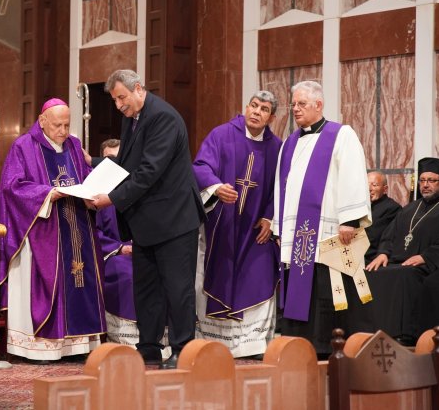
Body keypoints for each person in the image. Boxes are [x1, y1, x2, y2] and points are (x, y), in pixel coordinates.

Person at [92, 69, 205, 369]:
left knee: (178, 290)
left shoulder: (163, 117)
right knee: (147, 290)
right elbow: (127, 163)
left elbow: (148, 172)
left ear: (138, 88)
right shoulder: (133, 117)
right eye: (115, 100)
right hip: (147, 222)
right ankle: (149, 348)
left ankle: (183, 350)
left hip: (174, 220)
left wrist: (111, 199)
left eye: (122, 98)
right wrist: (91, 162)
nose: (119, 105)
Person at [0, 98, 106, 362]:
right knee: (48, 280)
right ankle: (40, 348)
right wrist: (47, 193)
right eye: (58, 125)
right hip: (42, 229)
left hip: (77, 224)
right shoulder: (23, 146)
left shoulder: (74, 145)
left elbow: (86, 176)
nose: (63, 131)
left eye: (67, 125)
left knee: (81, 277)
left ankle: (77, 346)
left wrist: (94, 191)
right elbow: (11, 186)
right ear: (42, 121)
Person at [273, 80, 371, 356]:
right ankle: (297, 343)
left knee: (327, 288)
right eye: (293, 104)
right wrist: (280, 228)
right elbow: (281, 186)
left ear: (319, 104)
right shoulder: (289, 143)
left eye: (302, 103)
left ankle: (327, 344)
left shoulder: (341, 135)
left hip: (329, 230)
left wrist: (350, 219)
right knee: (299, 288)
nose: (295, 109)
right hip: (296, 234)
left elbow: (353, 175)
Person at [192, 91, 282, 358]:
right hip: (223, 225)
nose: (256, 112)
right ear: (246, 107)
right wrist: (216, 187)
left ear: (271, 118)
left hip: (254, 230)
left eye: (264, 109)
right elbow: (200, 166)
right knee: (216, 272)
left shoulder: (276, 147)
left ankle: (251, 344)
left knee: (260, 272)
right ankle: (214, 341)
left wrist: (269, 217)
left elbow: (281, 186)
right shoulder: (221, 135)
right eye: (254, 106)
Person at [363, 158, 439, 344]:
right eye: (423, 180)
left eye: (432, 180)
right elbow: (389, 235)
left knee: (406, 275)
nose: (426, 185)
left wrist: (425, 257)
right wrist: (383, 253)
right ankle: (374, 332)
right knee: (373, 272)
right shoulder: (409, 209)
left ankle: (405, 334)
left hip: (427, 265)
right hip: (398, 262)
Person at [95, 139, 136, 344]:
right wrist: (119, 248)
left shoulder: (137, 186)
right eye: (109, 159)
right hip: (112, 255)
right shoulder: (96, 192)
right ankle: (128, 338)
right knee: (128, 274)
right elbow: (92, 231)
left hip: (142, 251)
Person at [364, 171, 402, 264]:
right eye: (366, 185)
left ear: (385, 189)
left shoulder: (392, 208)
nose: (369, 189)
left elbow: (376, 236)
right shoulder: (360, 207)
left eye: (374, 185)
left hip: (374, 257)